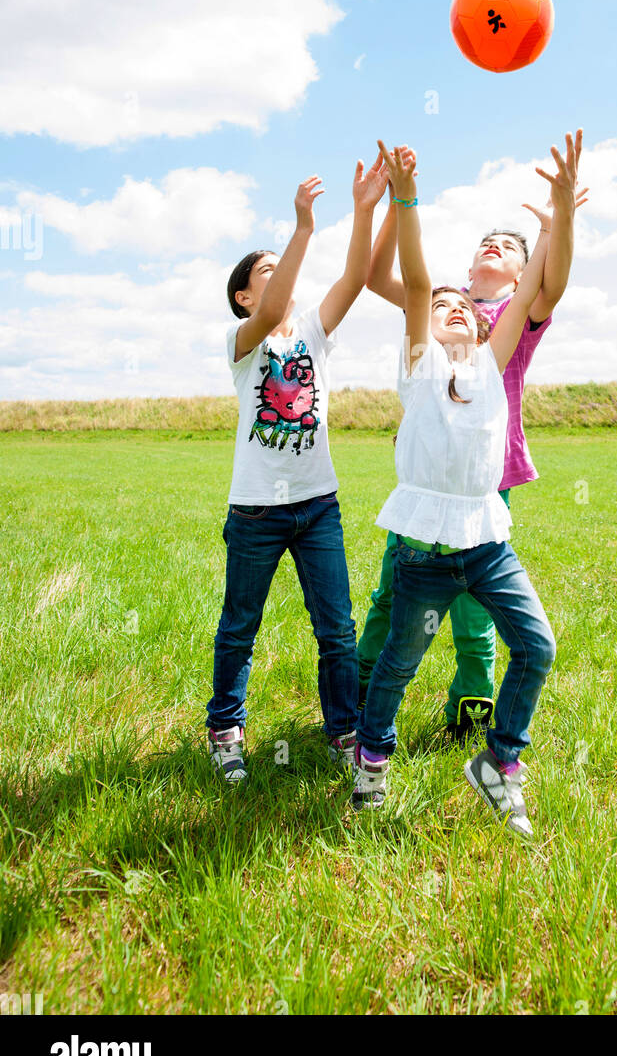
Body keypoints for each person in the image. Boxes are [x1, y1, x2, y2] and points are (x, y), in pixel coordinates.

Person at [353, 141, 570, 838]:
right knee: (399, 663)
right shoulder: (419, 365)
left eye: (459, 305)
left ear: (484, 322)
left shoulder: (494, 358)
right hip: (423, 548)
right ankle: (372, 755)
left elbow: (538, 281)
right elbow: (415, 281)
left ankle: (499, 763)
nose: (446, 305)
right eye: (437, 304)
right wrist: (406, 197)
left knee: (537, 648)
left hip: (486, 544)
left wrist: (559, 213)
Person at [206, 155, 389, 782]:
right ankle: (225, 728)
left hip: (317, 506)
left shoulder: (314, 330)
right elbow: (273, 305)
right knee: (240, 626)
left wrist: (364, 210)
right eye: (266, 272)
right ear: (244, 296)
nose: (279, 278)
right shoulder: (241, 343)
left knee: (337, 629)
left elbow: (355, 280)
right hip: (256, 509)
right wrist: (303, 230)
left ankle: (343, 731)